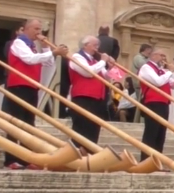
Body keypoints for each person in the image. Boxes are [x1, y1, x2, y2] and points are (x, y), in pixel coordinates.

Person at [1, 19, 68, 169]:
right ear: (26, 29)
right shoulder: (19, 43)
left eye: (40, 29)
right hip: (18, 87)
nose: (39, 32)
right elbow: (29, 60)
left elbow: (49, 63)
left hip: (31, 87)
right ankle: (11, 160)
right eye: (36, 28)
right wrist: (53, 52)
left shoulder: (33, 46)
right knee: (16, 124)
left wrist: (46, 49)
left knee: (29, 123)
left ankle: (26, 159)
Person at [67, 35, 113, 153]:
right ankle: (76, 153)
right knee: (81, 127)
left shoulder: (95, 61)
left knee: (94, 128)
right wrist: (103, 61)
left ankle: (90, 153)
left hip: (98, 98)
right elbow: (88, 73)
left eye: (98, 45)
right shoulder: (77, 57)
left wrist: (110, 68)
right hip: (83, 97)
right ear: (85, 45)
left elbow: (106, 78)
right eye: (94, 45)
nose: (97, 48)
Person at [138, 48, 174, 160]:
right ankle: (146, 160)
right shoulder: (146, 67)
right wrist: (170, 71)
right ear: (153, 56)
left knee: (161, 134)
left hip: (164, 103)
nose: (164, 58)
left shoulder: (162, 70)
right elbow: (158, 82)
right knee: (151, 132)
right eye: (161, 55)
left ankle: (157, 161)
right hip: (152, 103)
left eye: (164, 56)